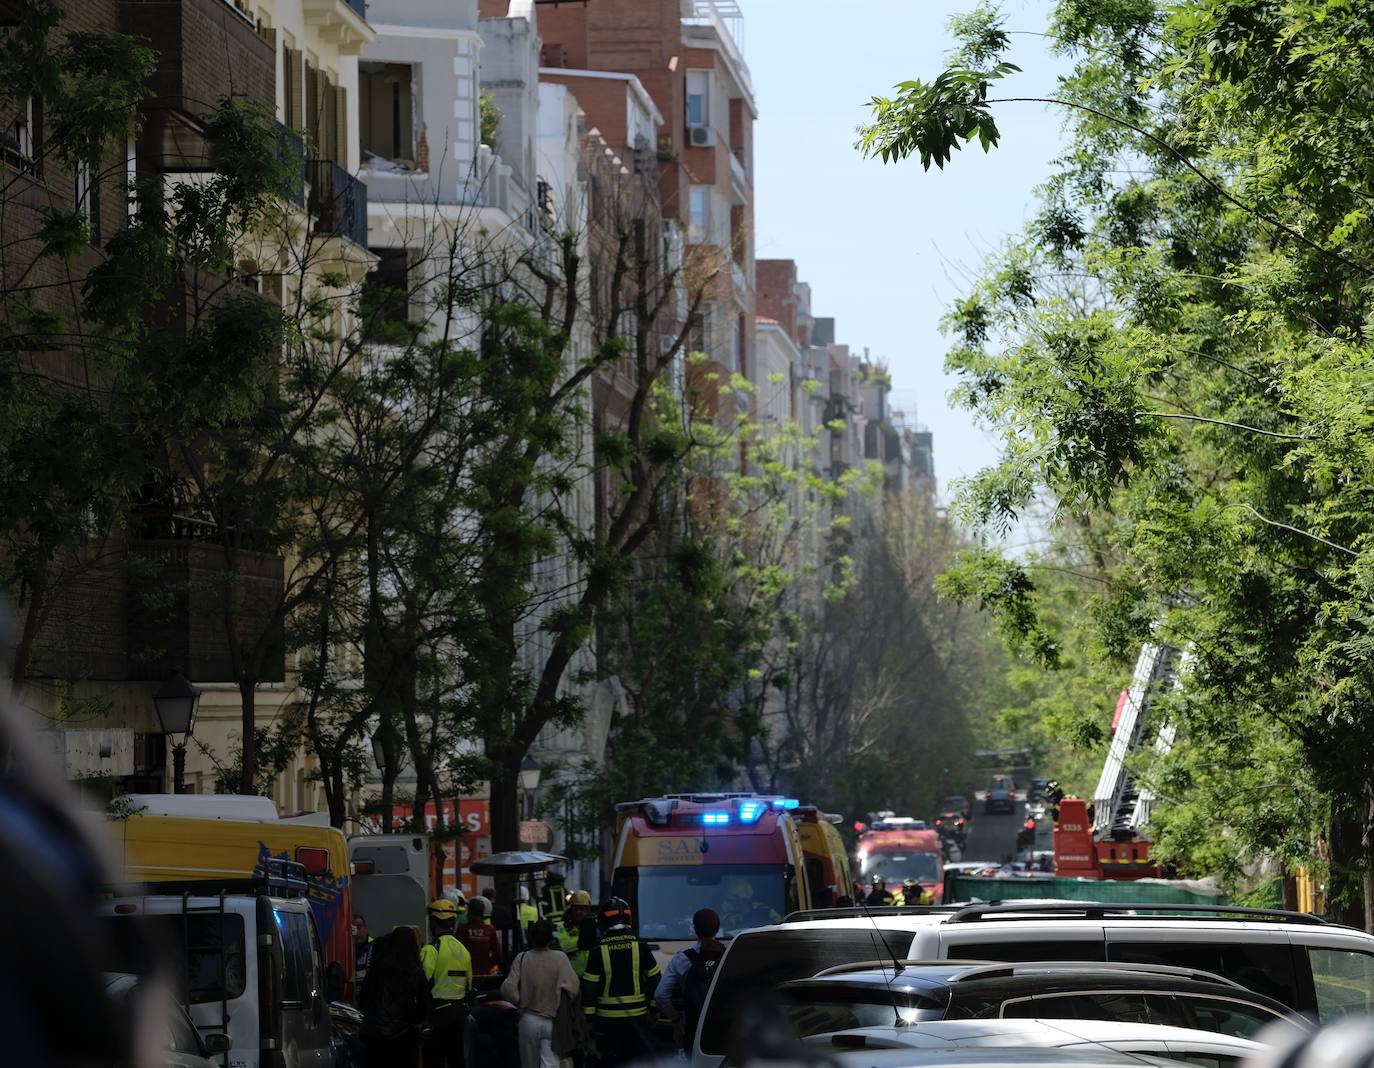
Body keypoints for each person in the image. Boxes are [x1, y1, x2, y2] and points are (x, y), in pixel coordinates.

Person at [582, 897, 660, 1067]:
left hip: (607, 1021)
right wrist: (654, 1009)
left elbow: (589, 987)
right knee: (637, 1061)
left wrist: (588, 1018)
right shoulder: (641, 946)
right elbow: (655, 980)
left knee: (611, 1061)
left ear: (603, 921)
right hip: (637, 1018)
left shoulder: (597, 950)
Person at [501, 919, 581, 1068]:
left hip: (528, 1020)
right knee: (550, 1064)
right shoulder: (560, 958)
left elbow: (508, 991)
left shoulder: (522, 958)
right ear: (551, 938)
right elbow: (574, 988)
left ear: (531, 937)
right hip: (553, 1022)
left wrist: (519, 1000)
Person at [654, 908, 725, 1054]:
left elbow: (660, 995)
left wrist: (676, 1020)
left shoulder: (682, 957)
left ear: (694, 929)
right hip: (722, 1027)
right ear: (717, 928)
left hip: (692, 1028)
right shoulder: (727, 955)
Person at [359, 928, 432, 1068]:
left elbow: (363, 1000)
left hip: (375, 1037)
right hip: (405, 1039)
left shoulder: (376, 969)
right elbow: (425, 1009)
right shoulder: (416, 973)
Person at [420, 898, 474, 1068]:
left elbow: (421, 983)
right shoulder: (464, 950)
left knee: (433, 1060)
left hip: (437, 1014)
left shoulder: (431, 949)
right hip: (460, 1012)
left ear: (433, 922)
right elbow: (469, 986)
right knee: (456, 1059)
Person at [458, 894, 505, 976]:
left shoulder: (462, 929)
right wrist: (488, 965)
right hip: (485, 974)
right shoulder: (490, 930)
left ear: (469, 912)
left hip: (466, 974)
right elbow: (497, 954)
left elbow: (457, 954)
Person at [555, 890, 594, 977]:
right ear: (571, 909)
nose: (579, 912)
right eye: (576, 908)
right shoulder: (563, 927)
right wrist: (583, 942)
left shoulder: (596, 925)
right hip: (572, 977)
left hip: (593, 976)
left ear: (588, 910)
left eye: (582, 909)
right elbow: (563, 946)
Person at [353, 913, 376, 989]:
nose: (357, 933)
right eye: (353, 929)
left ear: (366, 929)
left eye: (359, 928)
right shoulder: (347, 950)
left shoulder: (375, 947)